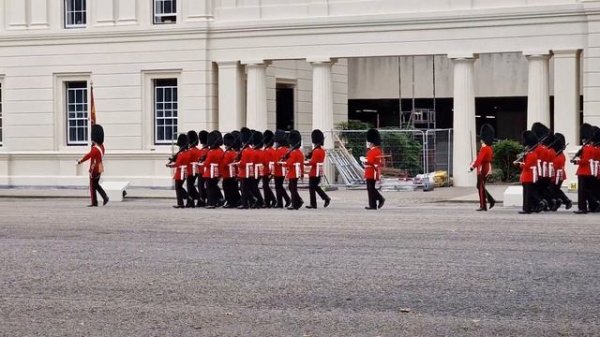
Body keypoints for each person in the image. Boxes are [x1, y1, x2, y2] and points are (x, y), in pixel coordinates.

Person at [77, 124, 109, 207]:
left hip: (94, 167)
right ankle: (104, 197)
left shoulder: (95, 149)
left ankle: (94, 202)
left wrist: (80, 161)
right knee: (96, 184)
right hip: (100, 166)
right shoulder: (102, 147)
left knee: (92, 185)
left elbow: (88, 156)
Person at [573, 123, 599, 214]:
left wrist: (576, 161)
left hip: (584, 171)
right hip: (588, 171)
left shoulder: (586, 148)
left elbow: (585, 161)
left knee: (582, 192)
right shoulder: (590, 147)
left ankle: (582, 208)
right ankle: (593, 205)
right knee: (587, 191)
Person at [469, 124, 496, 211]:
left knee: (480, 187)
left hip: (482, 169)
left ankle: (483, 205)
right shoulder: (489, 148)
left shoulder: (484, 149)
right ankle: (490, 201)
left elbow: (479, 159)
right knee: (480, 186)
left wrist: (472, 167)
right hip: (487, 167)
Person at [305, 129, 331, 209]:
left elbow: (313, 162)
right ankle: (325, 198)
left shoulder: (316, 151)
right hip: (318, 171)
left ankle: (314, 203)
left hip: (314, 171)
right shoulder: (321, 150)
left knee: (312, 187)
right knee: (315, 186)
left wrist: (305, 162)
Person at [517, 131, 541, 214]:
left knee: (527, 194)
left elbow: (526, 165)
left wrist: (519, 164)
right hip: (529, 175)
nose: (525, 147)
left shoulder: (531, 154)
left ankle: (527, 209)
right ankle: (529, 208)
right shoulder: (531, 153)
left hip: (528, 176)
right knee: (528, 193)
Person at [361, 128, 385, 210]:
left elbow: (370, 161)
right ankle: (373, 204)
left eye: (369, 142)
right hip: (370, 170)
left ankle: (379, 199)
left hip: (372, 171)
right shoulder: (375, 150)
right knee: (370, 188)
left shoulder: (373, 151)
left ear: (372, 142)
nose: (368, 144)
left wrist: (365, 160)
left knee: (370, 188)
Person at [166, 133, 191, 208]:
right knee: (180, 186)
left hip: (180, 172)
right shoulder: (187, 152)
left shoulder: (181, 153)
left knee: (178, 187)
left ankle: (181, 203)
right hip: (185, 171)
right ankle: (188, 198)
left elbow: (178, 163)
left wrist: (170, 165)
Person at [549, 133, 572, 210]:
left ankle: (563, 201)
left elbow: (555, 166)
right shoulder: (560, 154)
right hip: (560, 175)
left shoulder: (558, 155)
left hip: (556, 175)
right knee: (555, 190)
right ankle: (560, 201)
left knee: (552, 189)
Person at [203, 130, 224, 209]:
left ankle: (211, 202)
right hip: (217, 171)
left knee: (209, 188)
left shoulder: (211, 152)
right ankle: (217, 200)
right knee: (214, 187)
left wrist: (202, 162)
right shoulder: (220, 150)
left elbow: (207, 163)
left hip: (210, 172)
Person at [235, 127, 256, 209]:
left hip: (244, 172)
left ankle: (245, 204)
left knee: (244, 189)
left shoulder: (245, 151)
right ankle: (251, 201)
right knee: (245, 188)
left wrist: (237, 163)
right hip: (249, 171)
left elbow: (243, 163)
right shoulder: (250, 150)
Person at [285, 130, 305, 210]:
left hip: (293, 172)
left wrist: (283, 162)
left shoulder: (293, 153)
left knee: (293, 188)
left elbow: (289, 163)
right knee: (291, 187)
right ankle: (299, 201)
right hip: (297, 172)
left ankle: (294, 204)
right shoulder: (299, 152)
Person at [221, 132, 240, 208]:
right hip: (233, 173)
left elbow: (225, 163)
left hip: (227, 173)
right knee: (233, 188)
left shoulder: (228, 153)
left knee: (227, 188)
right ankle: (235, 201)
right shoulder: (234, 152)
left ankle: (230, 202)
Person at [273, 130, 291, 208]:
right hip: (278, 170)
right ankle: (284, 200)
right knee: (279, 186)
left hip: (280, 170)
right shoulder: (284, 149)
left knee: (278, 186)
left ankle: (281, 202)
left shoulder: (282, 150)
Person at [262, 130, 277, 208]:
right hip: (270, 170)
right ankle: (268, 201)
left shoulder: (267, 150)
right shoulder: (272, 150)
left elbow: (265, 162)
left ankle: (271, 200)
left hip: (266, 170)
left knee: (265, 186)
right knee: (266, 186)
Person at [186, 130, 201, 208]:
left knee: (189, 186)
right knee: (191, 185)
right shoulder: (198, 150)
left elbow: (187, 160)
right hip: (196, 169)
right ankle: (191, 201)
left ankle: (194, 199)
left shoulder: (190, 151)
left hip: (191, 169)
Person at [197, 130, 209, 207]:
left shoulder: (206, 150)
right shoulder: (202, 150)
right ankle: (202, 199)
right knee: (200, 186)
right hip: (201, 170)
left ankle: (203, 199)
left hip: (204, 171)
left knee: (203, 186)